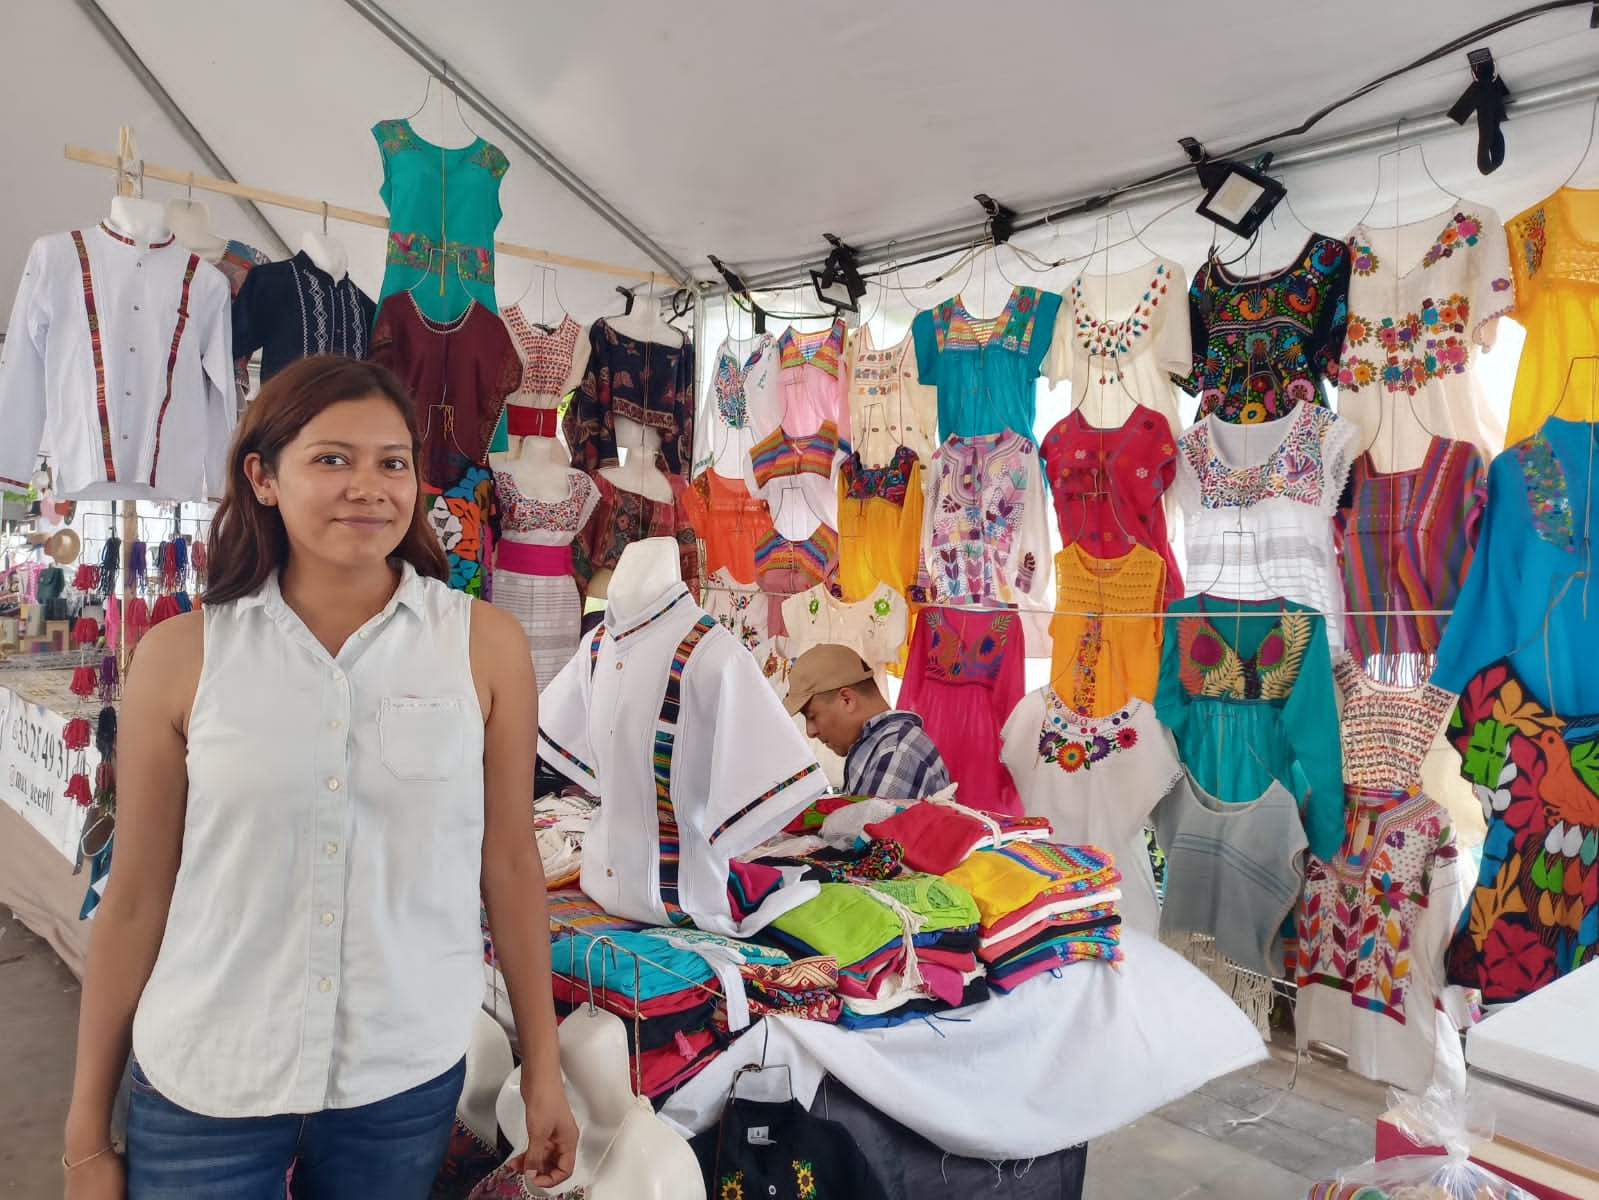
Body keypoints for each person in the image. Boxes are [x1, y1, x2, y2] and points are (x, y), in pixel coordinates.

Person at [61, 356, 577, 1200]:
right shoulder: (183, 657)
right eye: (331, 459)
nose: (368, 487)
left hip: (400, 1076)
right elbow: (136, 896)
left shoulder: (482, 646)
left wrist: (541, 1068)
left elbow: (512, 866)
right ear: (262, 477)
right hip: (208, 1078)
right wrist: (86, 1133)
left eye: (392, 462)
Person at [785, 643, 951, 800]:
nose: (810, 731)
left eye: (812, 716)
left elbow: (865, 829)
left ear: (846, 700)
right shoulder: (880, 745)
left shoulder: (895, 751)